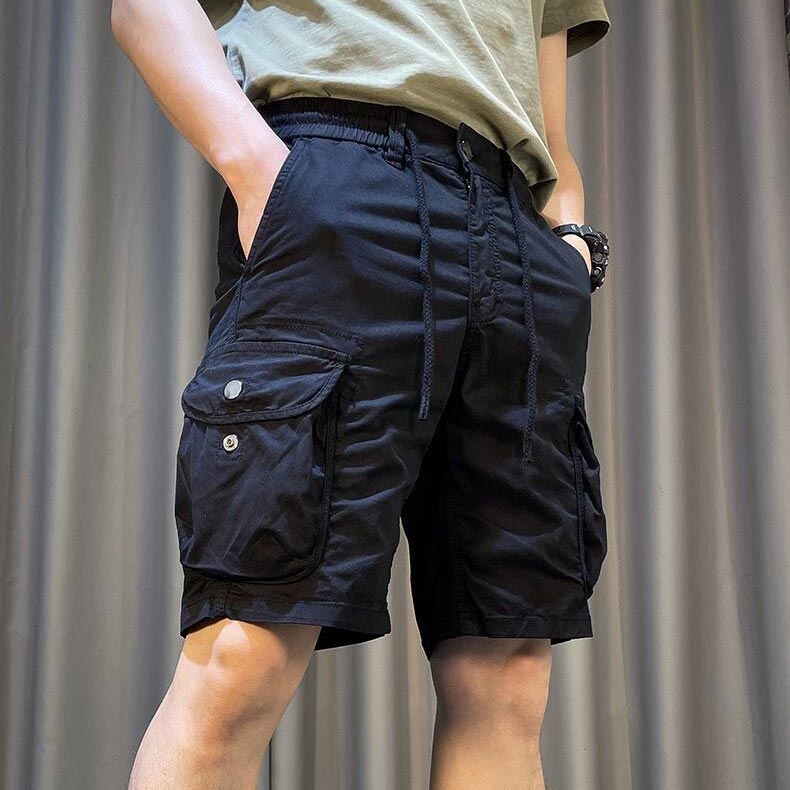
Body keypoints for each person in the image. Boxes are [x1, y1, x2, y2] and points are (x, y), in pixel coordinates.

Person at [112, 1, 611, 787]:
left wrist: (569, 242)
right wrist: (260, 172)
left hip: (515, 227)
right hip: (340, 178)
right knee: (246, 650)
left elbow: (548, 118)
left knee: (507, 670)